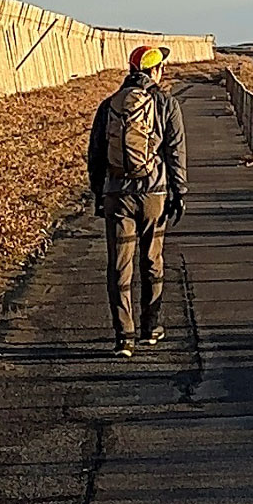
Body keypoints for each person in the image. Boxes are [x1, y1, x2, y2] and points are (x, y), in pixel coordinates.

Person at [86, 44, 188, 357]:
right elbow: (175, 151)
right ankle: (151, 327)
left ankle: (124, 336)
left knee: (119, 264)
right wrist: (179, 191)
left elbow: (96, 153)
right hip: (154, 192)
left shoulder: (110, 105)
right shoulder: (166, 104)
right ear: (155, 71)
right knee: (152, 258)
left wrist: (98, 191)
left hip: (117, 192)